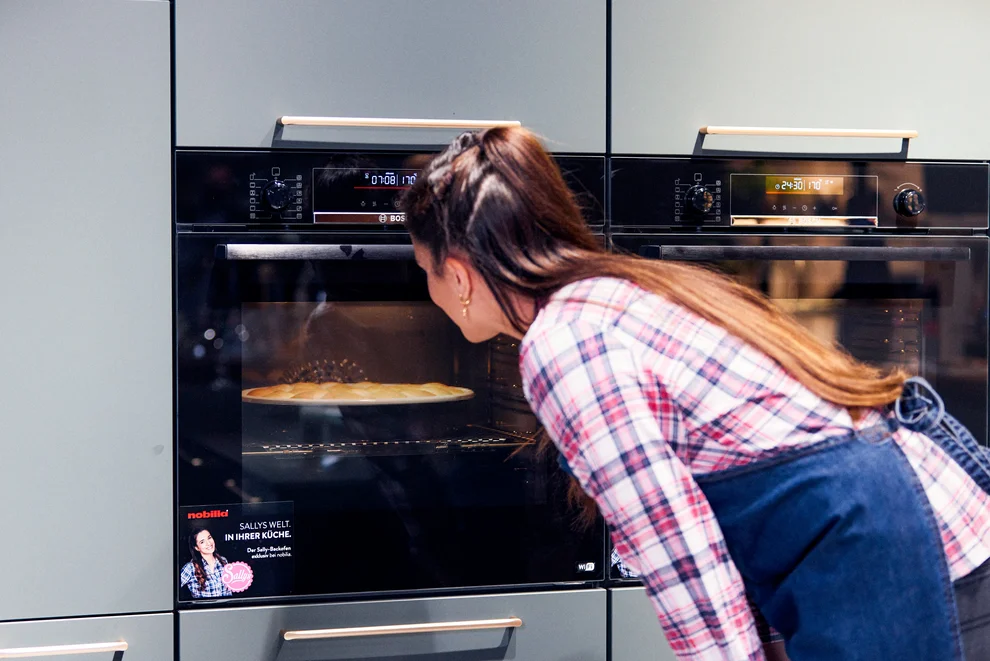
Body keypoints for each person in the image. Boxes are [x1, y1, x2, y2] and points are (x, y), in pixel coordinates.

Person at [400, 126, 990, 660]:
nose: (429, 288)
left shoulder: (564, 346)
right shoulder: (613, 291)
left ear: (457, 274)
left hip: (889, 546)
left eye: (423, 269)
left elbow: (688, 566)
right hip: (918, 513)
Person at [179, 527, 233, 599]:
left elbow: (229, 592)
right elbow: (171, 588)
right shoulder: (190, 568)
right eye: (202, 542)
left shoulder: (223, 561)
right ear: (196, 548)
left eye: (209, 538)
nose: (208, 543)